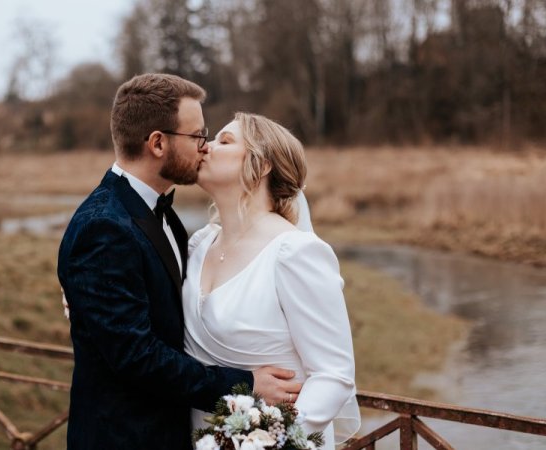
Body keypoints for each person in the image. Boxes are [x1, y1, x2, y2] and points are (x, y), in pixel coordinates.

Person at [57, 74, 300, 450]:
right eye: (198, 135)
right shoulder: (103, 227)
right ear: (158, 143)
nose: (205, 147)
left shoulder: (166, 217)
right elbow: (136, 356)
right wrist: (246, 387)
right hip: (126, 438)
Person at [183, 112, 361, 448]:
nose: (205, 147)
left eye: (224, 141)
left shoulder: (295, 253)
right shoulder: (199, 245)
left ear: (261, 165)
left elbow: (334, 376)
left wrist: (265, 439)